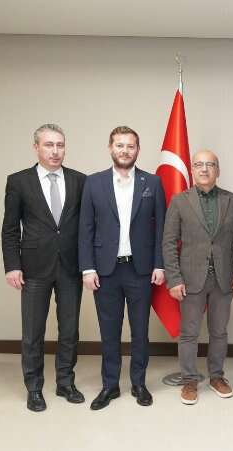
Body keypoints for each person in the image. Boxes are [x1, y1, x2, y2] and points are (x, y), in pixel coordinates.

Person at [78, 126, 166, 410]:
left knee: (140, 331)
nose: (125, 151)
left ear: (137, 150)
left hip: (140, 270)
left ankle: (139, 383)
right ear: (110, 148)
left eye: (130, 146)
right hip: (105, 271)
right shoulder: (93, 183)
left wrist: (160, 264)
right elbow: (85, 229)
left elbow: (161, 228)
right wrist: (87, 268)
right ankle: (110, 385)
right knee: (109, 332)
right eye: (119, 145)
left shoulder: (153, 182)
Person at [1, 124, 86, 412]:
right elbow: (10, 229)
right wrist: (12, 266)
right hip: (34, 268)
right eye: (49, 145)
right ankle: (34, 388)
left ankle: (66, 383)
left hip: (71, 267)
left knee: (69, 331)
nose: (55, 151)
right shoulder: (19, 182)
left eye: (60, 145)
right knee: (33, 333)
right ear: (36, 147)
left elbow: (86, 226)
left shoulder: (79, 181)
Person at [162, 150, 233, 405]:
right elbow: (168, 242)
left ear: (218, 170)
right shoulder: (179, 201)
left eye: (210, 165)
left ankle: (217, 377)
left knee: (219, 332)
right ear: (192, 170)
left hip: (223, 278)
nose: (204, 169)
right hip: (190, 279)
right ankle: (189, 380)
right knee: (189, 333)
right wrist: (174, 279)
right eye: (199, 165)